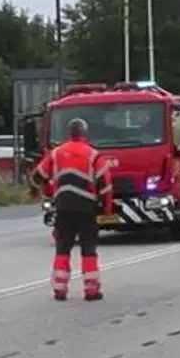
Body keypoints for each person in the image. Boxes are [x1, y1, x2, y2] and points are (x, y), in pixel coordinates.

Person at [31, 118, 113, 301]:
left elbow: (37, 176)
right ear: (85, 133)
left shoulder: (56, 153)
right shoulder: (93, 155)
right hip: (87, 209)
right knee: (88, 249)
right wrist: (106, 208)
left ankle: (59, 289)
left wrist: (45, 192)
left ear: (70, 133)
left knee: (63, 248)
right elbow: (105, 184)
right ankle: (91, 290)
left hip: (63, 208)